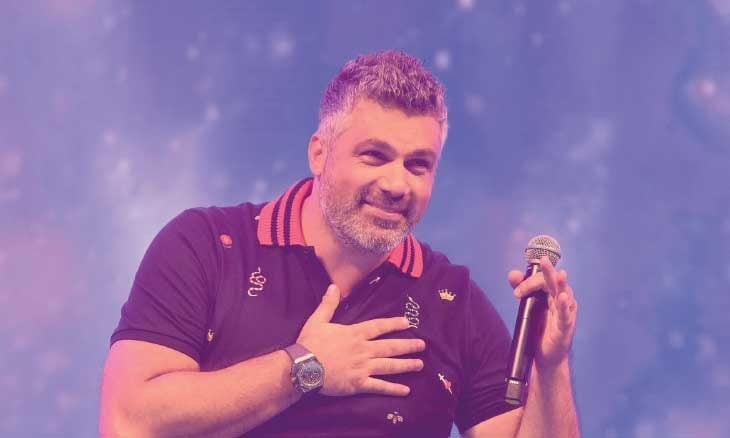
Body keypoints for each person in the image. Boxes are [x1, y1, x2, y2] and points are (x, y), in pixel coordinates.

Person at [100, 49, 580, 437]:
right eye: (375, 156)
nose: (397, 183)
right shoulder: (208, 246)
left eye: (418, 165)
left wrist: (551, 365)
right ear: (319, 152)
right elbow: (129, 423)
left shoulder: (453, 300)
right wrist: (304, 368)